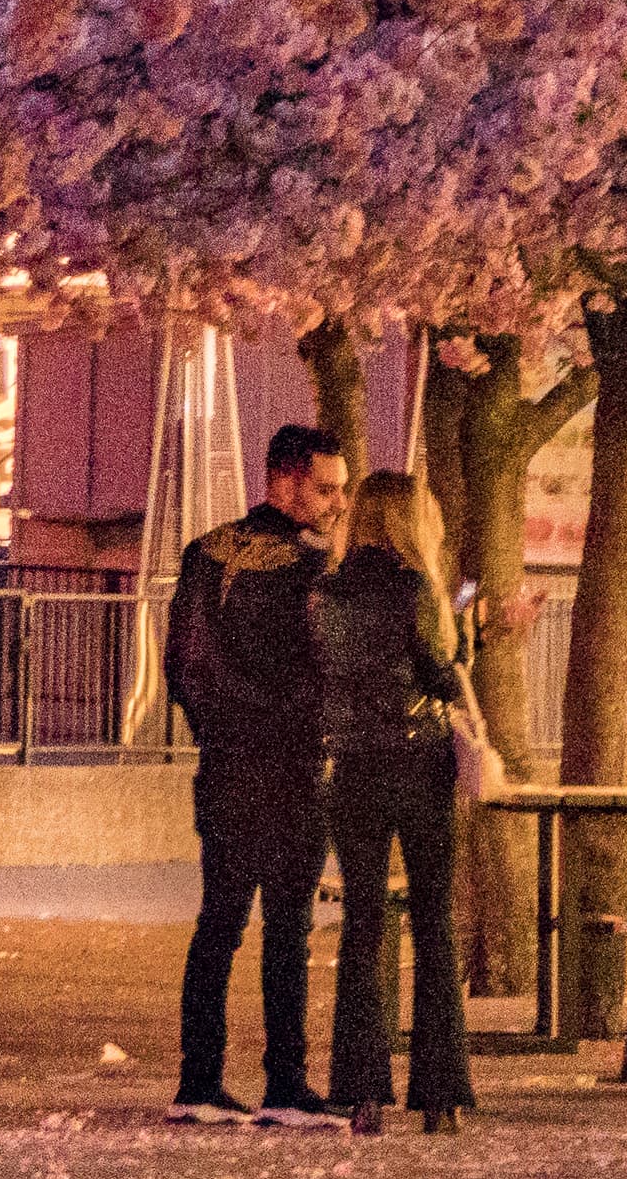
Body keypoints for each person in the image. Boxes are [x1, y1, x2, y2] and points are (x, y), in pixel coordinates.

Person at [166, 422, 350, 1127]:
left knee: (219, 923)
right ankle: (286, 1081)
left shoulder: (205, 554)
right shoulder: (315, 570)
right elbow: (323, 665)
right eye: (326, 489)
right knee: (287, 927)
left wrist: (217, 729)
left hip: (224, 765)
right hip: (292, 765)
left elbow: (185, 666)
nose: (337, 504)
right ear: (285, 482)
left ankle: (199, 1080)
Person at [314, 471, 484, 1135]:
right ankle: (439, 1093)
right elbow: (442, 674)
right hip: (419, 760)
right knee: (433, 921)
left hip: (353, 766)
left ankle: (362, 1092)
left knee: (363, 923)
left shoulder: (324, 593)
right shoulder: (416, 590)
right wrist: (463, 615)